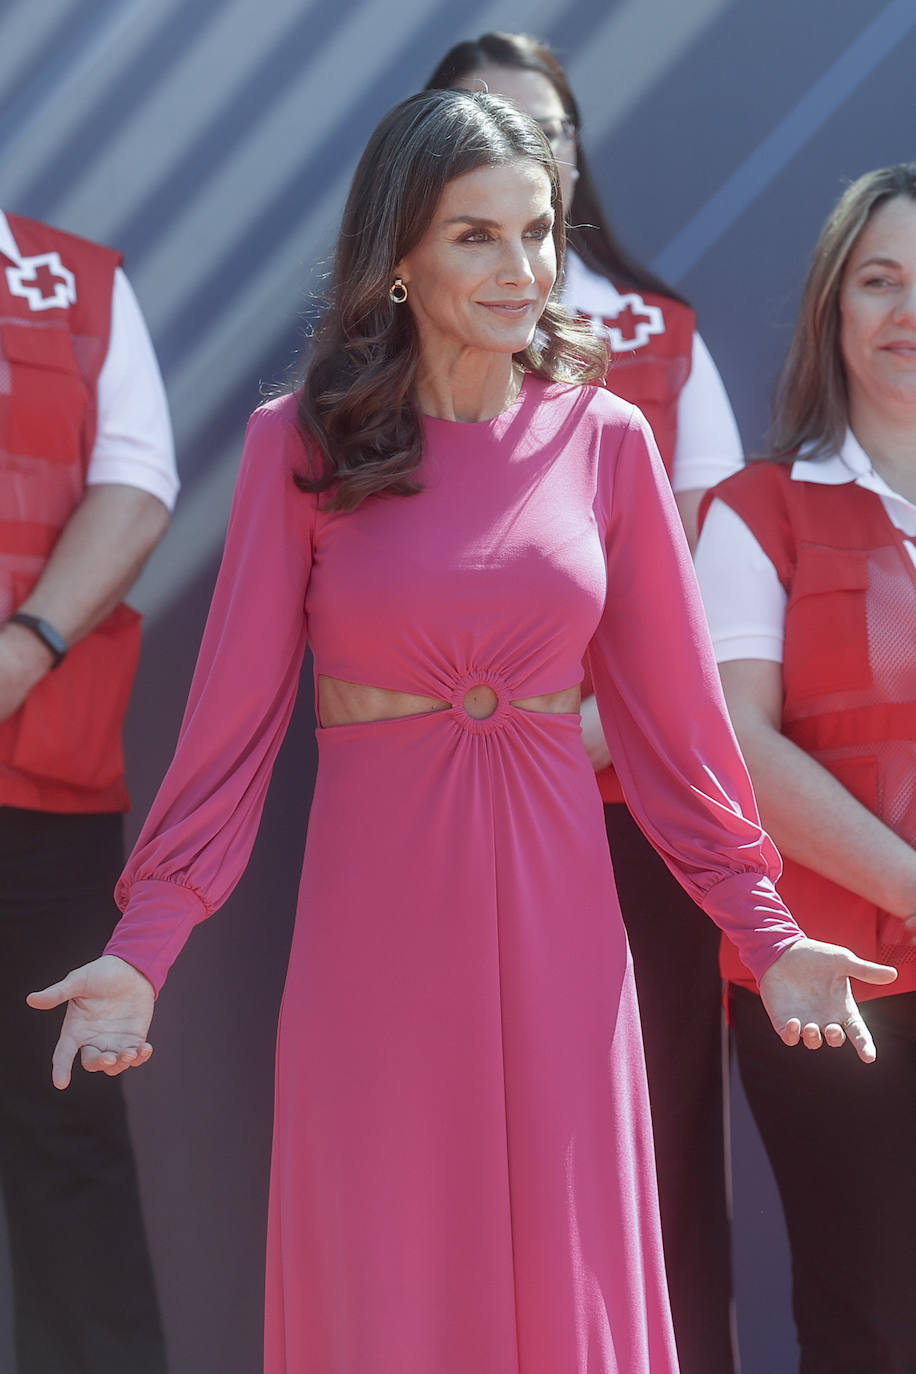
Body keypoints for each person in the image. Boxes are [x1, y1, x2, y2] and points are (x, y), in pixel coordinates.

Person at [29, 93, 894, 1374]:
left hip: (560, 922)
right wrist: (144, 949)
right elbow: (230, 736)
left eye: (537, 233)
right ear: (399, 254)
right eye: (475, 236)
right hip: (375, 927)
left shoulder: (606, 441)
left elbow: (680, 740)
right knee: (387, 1278)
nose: (522, 269)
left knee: (569, 1271)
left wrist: (766, 938)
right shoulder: (300, 448)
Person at [427, 34, 744, 1373]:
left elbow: (709, 573)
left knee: (654, 1126)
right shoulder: (396, 357)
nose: (522, 146)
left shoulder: (660, 337)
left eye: (544, 128)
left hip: (631, 814)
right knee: (463, 1135)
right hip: (453, 806)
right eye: (488, 123)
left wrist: (595, 722)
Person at [694, 162, 916, 1373]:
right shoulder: (757, 510)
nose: (904, 312)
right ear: (834, 309)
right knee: (868, 1316)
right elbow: (738, 738)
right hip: (841, 990)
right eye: (878, 280)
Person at [0, 208, 176, 1371]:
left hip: (38, 789)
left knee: (62, 1136)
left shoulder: (72, 282)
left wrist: (19, 651)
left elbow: (137, 479)